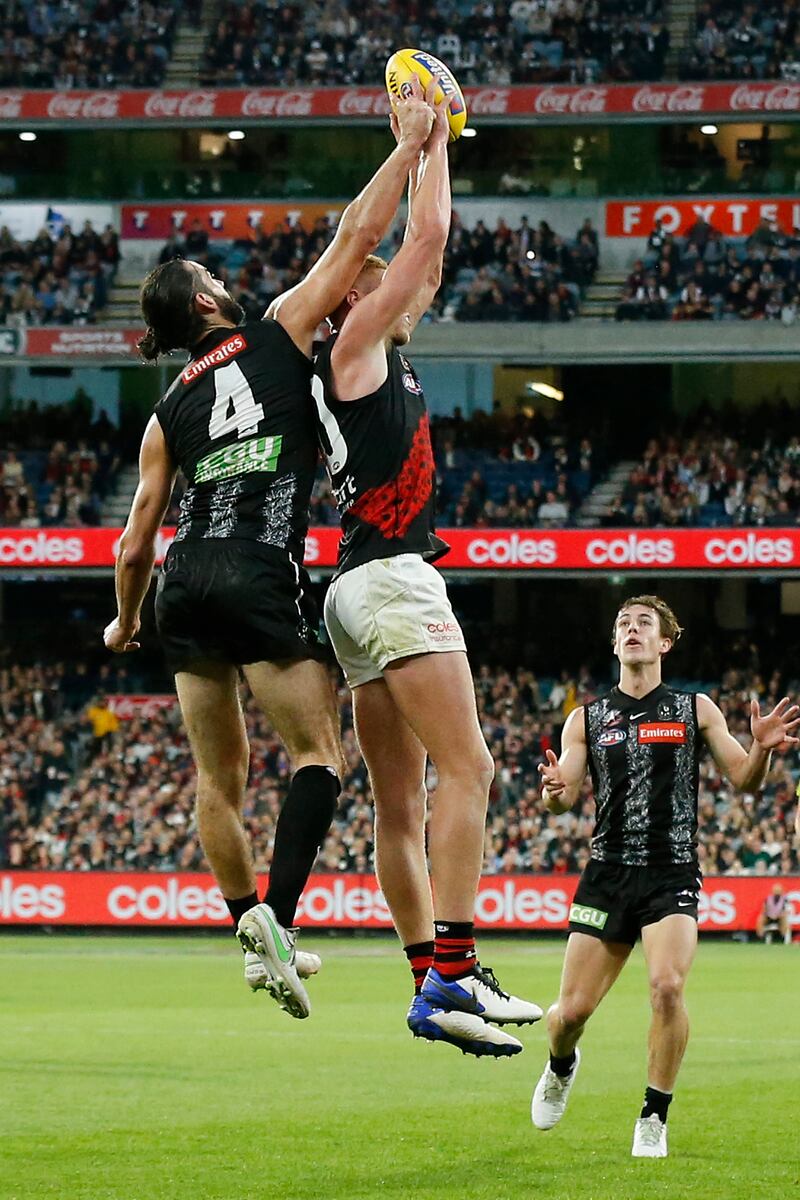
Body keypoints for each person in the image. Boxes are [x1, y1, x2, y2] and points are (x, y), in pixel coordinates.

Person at [103, 85, 439, 1020]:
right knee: (318, 757)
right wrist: (411, 147)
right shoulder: (277, 328)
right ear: (209, 300)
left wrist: (125, 621)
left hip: (181, 584)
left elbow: (134, 540)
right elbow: (355, 238)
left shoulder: (166, 411)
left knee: (218, 779)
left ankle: (247, 926)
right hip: (257, 565)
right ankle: (280, 923)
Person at [311, 86, 542, 1056]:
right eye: (377, 271)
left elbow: (427, 262)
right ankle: (453, 969)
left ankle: (425, 985)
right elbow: (431, 239)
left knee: (397, 804)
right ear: (355, 296)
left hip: (350, 593)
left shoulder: (366, 354)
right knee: (472, 769)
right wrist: (428, 139)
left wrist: (427, 145)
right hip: (397, 579)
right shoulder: (356, 343)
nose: (398, 279)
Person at [532, 595, 799, 1157]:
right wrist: (555, 793)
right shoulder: (586, 718)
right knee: (570, 1014)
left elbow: (745, 780)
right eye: (623, 624)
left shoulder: (694, 709)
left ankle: (654, 1114)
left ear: (664, 643)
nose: (632, 630)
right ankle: (561, 1063)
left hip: (670, 871)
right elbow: (566, 795)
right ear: (614, 643)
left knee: (668, 987)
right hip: (605, 874)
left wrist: (762, 749)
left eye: (644, 624)